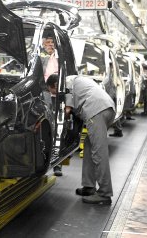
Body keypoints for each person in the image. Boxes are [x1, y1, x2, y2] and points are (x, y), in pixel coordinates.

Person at [51, 75, 115, 204]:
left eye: (53, 92)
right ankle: (89, 186)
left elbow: (67, 109)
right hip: (103, 108)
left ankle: (104, 193)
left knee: (98, 152)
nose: (56, 96)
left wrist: (58, 126)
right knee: (89, 146)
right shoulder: (76, 80)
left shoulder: (67, 81)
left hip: (96, 111)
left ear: (55, 85)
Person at [45, 74, 63, 177]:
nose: (56, 89)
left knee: (57, 144)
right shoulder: (45, 95)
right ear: (49, 86)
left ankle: (57, 166)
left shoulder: (61, 97)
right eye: (54, 87)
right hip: (48, 123)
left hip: (58, 124)